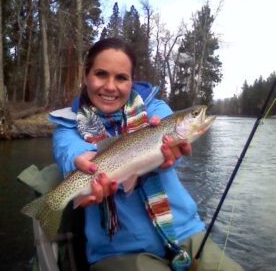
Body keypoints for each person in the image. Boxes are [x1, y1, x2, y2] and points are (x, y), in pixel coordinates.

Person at [48, 37, 243, 271]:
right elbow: (68, 150)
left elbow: (172, 154)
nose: (110, 86)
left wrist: (170, 157)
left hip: (185, 232)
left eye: (121, 77)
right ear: (85, 75)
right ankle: (48, 208)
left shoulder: (156, 111)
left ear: (132, 80)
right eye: (101, 74)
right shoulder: (68, 126)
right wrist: (80, 161)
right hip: (119, 250)